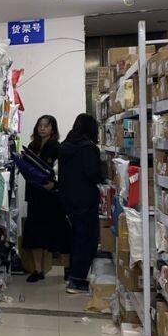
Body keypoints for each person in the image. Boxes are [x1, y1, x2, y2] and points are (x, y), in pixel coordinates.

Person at [22, 115, 70, 282]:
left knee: (61, 233)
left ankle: (67, 269)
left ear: (52, 129)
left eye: (46, 126)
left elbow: (63, 172)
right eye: (40, 125)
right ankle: (38, 270)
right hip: (35, 195)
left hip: (52, 196)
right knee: (35, 233)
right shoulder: (31, 146)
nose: (42, 128)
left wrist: (54, 184)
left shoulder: (57, 148)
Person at [59, 113, 103, 294]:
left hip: (68, 199)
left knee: (77, 237)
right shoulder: (88, 148)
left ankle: (72, 275)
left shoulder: (65, 147)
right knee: (88, 239)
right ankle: (77, 280)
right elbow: (93, 174)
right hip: (85, 199)